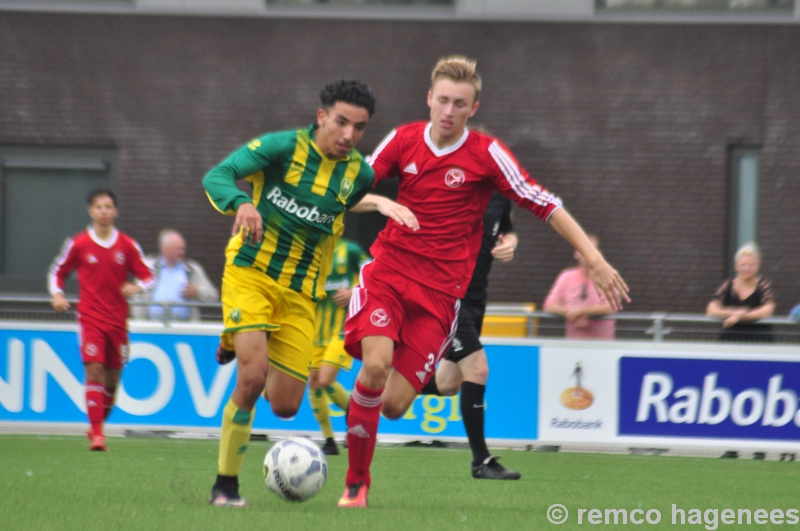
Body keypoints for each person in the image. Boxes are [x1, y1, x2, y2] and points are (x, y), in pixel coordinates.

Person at [337, 56, 629, 508]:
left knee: (393, 406)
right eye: (443, 100)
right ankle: (356, 483)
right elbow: (346, 192)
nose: (449, 111)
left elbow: (543, 203)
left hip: (440, 296)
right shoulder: (403, 139)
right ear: (429, 99)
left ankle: (357, 404)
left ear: (473, 108)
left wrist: (595, 259)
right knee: (375, 366)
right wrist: (380, 203)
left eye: (460, 103)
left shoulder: (488, 154)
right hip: (390, 272)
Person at [202, 80, 418, 509]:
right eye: (341, 123)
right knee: (251, 379)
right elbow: (218, 175)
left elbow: (343, 201)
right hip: (253, 273)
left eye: (359, 128)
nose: (348, 136)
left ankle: (233, 336)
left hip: (302, 294)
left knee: (285, 407)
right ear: (322, 117)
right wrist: (240, 204)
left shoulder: (360, 173)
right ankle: (225, 486)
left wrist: (377, 202)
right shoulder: (281, 148)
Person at [419, 190, 521, 480]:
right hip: (448, 296)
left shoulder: (501, 195)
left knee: (449, 383)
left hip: (475, 300)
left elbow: (508, 230)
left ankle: (371, 394)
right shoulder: (454, 187)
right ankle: (481, 461)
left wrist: (510, 245)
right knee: (478, 368)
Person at [48, 189, 155, 452]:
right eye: (99, 207)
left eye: (108, 207)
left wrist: (136, 287)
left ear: (115, 212)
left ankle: (97, 427)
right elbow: (57, 271)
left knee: (112, 381)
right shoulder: (79, 243)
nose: (104, 212)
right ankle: (98, 435)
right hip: (90, 318)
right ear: (91, 211)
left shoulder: (127, 245)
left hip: (118, 322)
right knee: (94, 370)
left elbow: (148, 276)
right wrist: (58, 295)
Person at [309, 237, 370, 456]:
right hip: (315, 331)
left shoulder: (350, 250)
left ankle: (356, 416)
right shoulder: (309, 251)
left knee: (324, 379)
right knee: (314, 383)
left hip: (343, 330)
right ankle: (329, 441)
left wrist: (355, 292)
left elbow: (375, 276)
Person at [130, 229, 219, 322]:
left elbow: (213, 295)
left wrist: (197, 292)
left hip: (185, 330)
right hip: (153, 329)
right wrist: (141, 324)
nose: (182, 252)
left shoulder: (192, 270)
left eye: (183, 248)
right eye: (178, 249)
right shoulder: (148, 268)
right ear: (165, 249)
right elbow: (137, 296)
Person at [543, 234, 616, 339]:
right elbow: (549, 305)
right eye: (583, 249)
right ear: (576, 253)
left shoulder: (607, 277)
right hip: (574, 345)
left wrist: (582, 312)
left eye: (592, 250)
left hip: (602, 346)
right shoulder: (566, 277)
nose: (587, 254)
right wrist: (572, 313)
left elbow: (611, 307)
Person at [706, 242, 775, 342]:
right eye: (743, 265)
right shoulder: (727, 286)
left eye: (751, 265)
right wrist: (733, 313)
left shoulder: (763, 287)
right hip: (730, 340)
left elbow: (768, 310)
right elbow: (711, 309)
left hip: (758, 341)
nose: (747, 268)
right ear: (736, 266)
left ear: (758, 266)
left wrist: (740, 317)